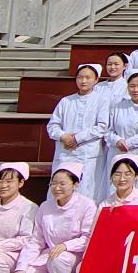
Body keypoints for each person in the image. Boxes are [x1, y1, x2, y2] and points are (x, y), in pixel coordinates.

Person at [7, 163, 96, 273]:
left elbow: (88, 238)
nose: (56, 188)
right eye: (53, 183)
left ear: (75, 185)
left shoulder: (87, 205)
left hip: (75, 255)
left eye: (62, 184)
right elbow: (36, 241)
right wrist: (21, 268)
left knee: (59, 259)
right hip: (49, 255)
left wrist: (66, 246)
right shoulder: (45, 207)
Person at [47, 63, 109, 202]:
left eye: (88, 77)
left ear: (96, 80)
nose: (83, 81)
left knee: (86, 192)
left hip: (88, 154)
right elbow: (52, 125)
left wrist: (77, 138)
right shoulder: (66, 101)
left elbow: (102, 127)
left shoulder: (101, 100)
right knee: (61, 188)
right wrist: (63, 136)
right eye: (80, 77)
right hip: (65, 153)